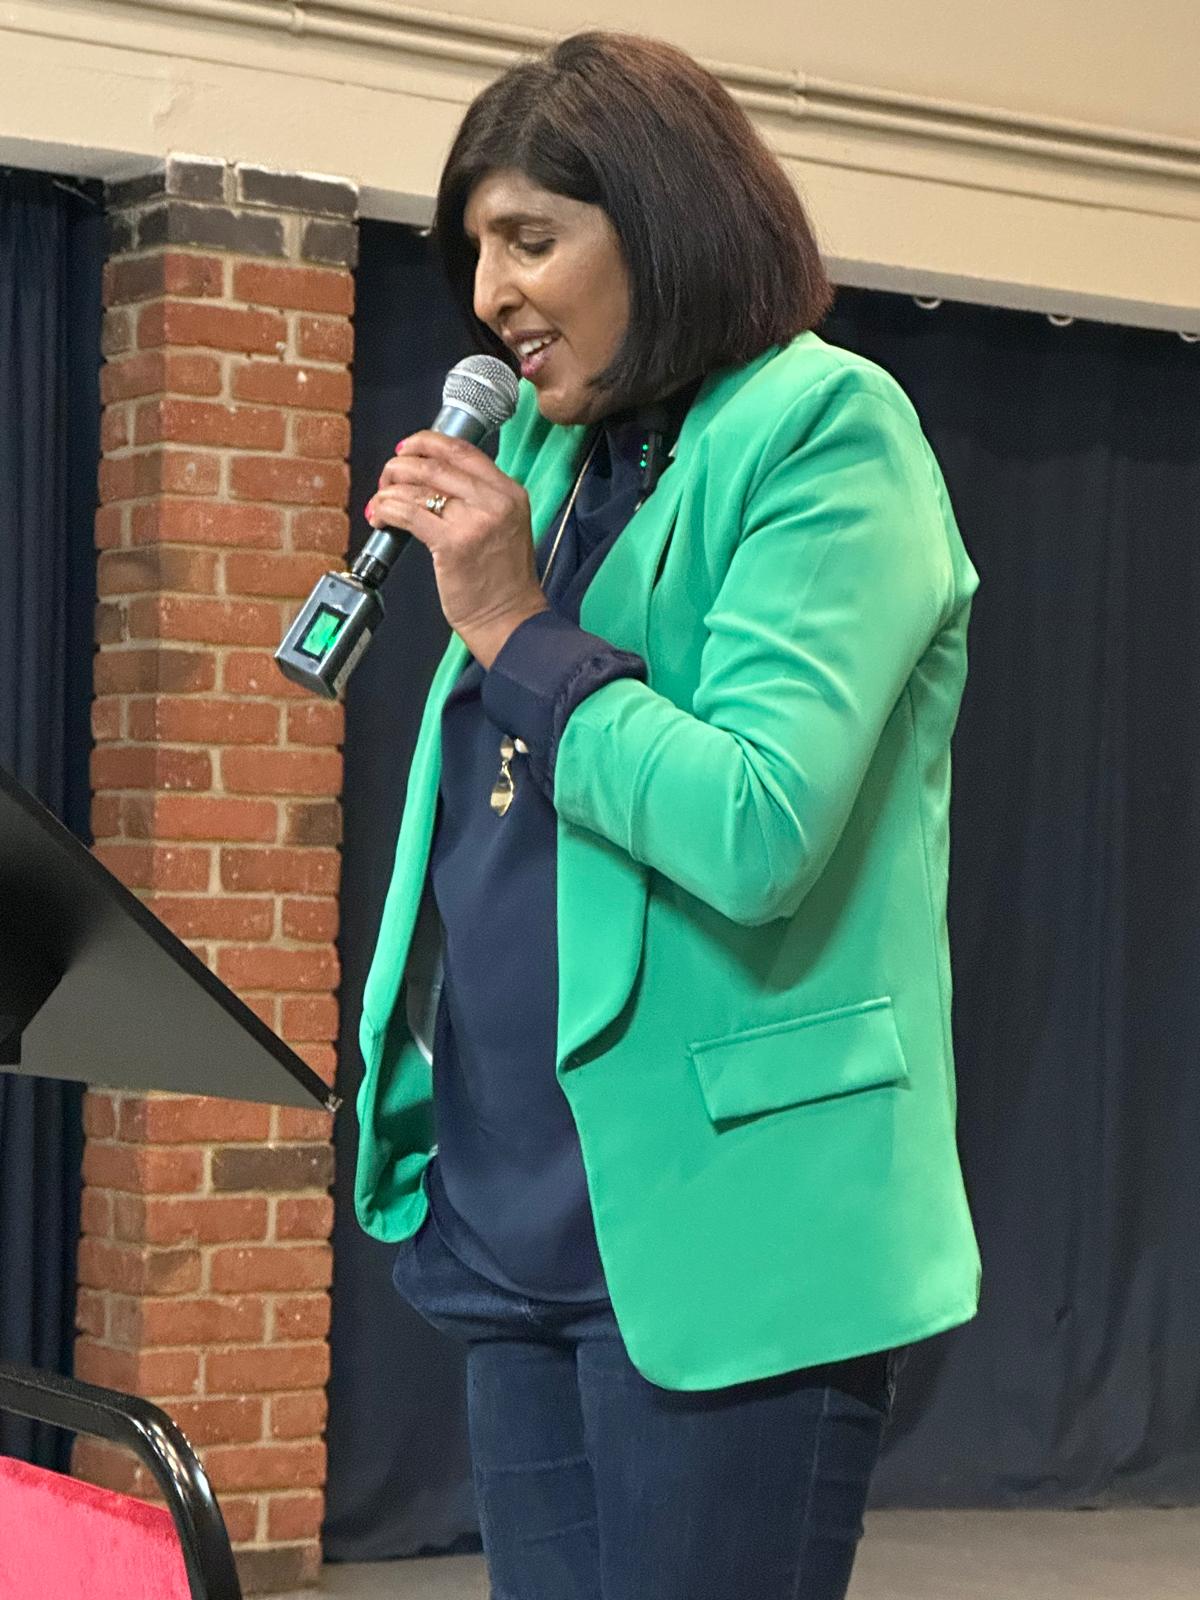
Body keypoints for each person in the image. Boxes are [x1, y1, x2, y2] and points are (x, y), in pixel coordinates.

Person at [355, 29, 981, 1600]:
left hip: (722, 1223)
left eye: (531, 238)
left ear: (664, 219)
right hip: (518, 1205)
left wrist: (513, 628)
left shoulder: (827, 430)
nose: (492, 292)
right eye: (475, 249)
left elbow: (757, 826)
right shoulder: (552, 458)